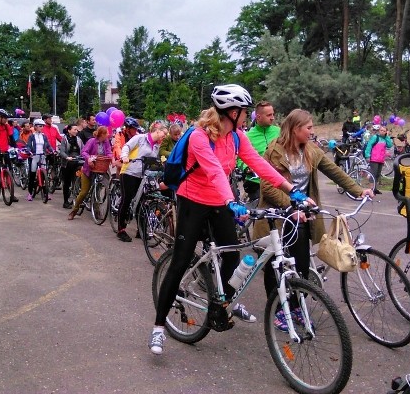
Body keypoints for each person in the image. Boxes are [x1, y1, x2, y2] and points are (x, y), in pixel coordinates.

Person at [149, 84, 297, 355]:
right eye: (244, 112)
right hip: (193, 201)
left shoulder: (238, 137)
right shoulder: (199, 137)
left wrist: (290, 189)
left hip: (219, 201)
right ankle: (159, 327)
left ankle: (224, 301)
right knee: (180, 261)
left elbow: (259, 164)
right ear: (231, 112)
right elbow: (214, 171)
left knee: (231, 256)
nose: (247, 117)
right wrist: (231, 201)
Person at [255, 109, 374, 332]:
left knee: (300, 264)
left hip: (301, 216)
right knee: (276, 266)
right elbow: (268, 186)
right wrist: (290, 206)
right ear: (295, 129)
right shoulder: (275, 150)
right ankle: (278, 309)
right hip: (278, 216)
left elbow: (334, 171)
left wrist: (358, 191)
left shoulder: (310, 150)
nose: (312, 131)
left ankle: (296, 304)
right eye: (308, 128)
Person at [117, 121, 168, 242]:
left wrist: (164, 163)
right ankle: (121, 230)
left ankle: (140, 230)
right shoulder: (140, 138)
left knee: (142, 202)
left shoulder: (156, 146)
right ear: (157, 131)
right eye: (164, 133)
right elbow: (127, 147)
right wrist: (124, 156)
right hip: (129, 172)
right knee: (127, 199)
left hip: (143, 176)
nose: (164, 136)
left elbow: (157, 159)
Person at [68, 126, 112, 220]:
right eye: (106, 133)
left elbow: (109, 152)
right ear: (102, 134)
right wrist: (88, 159)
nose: (108, 135)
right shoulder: (92, 141)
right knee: (84, 192)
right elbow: (84, 152)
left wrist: (110, 157)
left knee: (99, 189)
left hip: (100, 169)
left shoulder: (106, 142)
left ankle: (97, 211)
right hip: (88, 170)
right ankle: (74, 210)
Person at [241, 101, 281, 201]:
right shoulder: (247, 136)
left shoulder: (279, 132)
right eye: (269, 115)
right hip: (256, 184)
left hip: (278, 181)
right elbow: (239, 159)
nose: (272, 117)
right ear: (258, 117)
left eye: (273, 114)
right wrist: (246, 168)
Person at [26, 119, 53, 201]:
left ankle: (46, 193)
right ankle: (30, 193)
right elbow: (29, 145)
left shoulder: (44, 136)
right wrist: (29, 151)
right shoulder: (32, 136)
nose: (42, 127)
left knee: (44, 176)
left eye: (43, 126)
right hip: (34, 156)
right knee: (32, 175)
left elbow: (48, 145)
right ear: (35, 126)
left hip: (42, 156)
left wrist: (53, 150)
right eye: (40, 126)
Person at [59, 123, 84, 208]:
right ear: (69, 130)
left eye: (77, 130)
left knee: (78, 181)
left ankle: (77, 201)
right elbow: (62, 151)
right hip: (67, 164)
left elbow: (83, 150)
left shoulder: (78, 139)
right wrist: (67, 157)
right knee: (67, 183)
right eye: (74, 129)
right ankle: (65, 202)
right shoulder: (64, 139)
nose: (76, 131)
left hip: (77, 162)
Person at [364, 124, 393, 193]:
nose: (382, 132)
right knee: (373, 173)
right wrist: (367, 155)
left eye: (384, 131)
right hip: (374, 159)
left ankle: (375, 188)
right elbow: (369, 146)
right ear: (379, 131)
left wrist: (387, 137)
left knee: (378, 174)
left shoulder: (385, 139)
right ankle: (371, 188)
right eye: (381, 130)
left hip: (381, 159)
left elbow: (390, 145)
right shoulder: (375, 137)